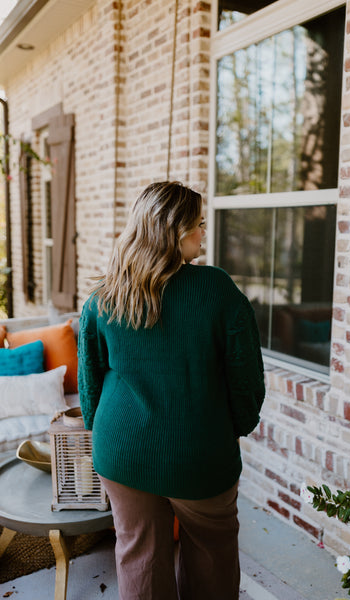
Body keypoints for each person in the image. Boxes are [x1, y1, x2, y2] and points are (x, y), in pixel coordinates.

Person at [77, 181, 266, 600]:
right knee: (211, 558)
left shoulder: (103, 298)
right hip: (199, 454)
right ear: (175, 231)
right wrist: (232, 427)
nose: (204, 233)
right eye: (199, 224)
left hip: (120, 451)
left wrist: (101, 430)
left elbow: (90, 385)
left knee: (138, 556)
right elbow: (247, 380)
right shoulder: (217, 291)